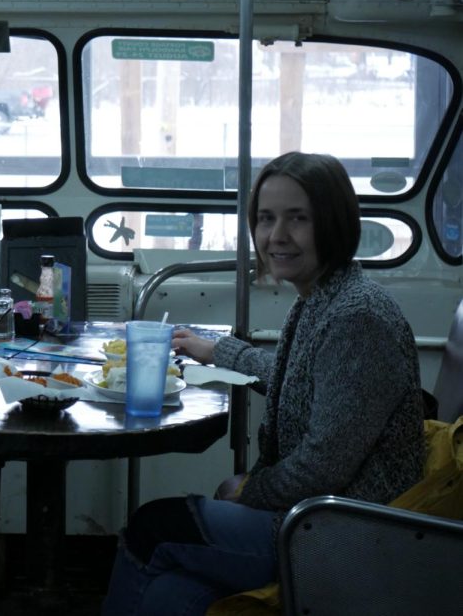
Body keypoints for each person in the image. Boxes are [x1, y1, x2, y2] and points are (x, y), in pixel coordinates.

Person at [102, 152, 425, 616]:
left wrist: (251, 490)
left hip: (342, 534)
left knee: (153, 528)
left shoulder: (358, 319)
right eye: (266, 219)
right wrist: (220, 350)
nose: (277, 236)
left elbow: (323, 468)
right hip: (317, 517)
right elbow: (303, 379)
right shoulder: (322, 299)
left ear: (333, 223)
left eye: (298, 219)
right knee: (168, 593)